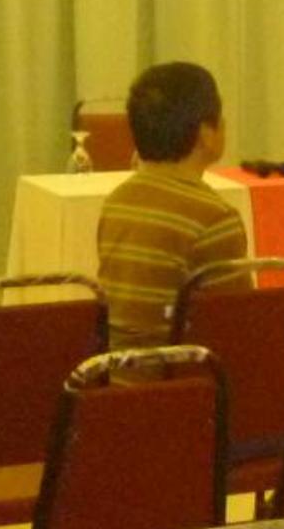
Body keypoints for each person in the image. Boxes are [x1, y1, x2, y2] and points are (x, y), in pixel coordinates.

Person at [96, 60, 249, 346]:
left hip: (114, 367)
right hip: (177, 370)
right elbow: (235, 327)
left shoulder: (117, 201)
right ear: (206, 135)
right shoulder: (215, 218)